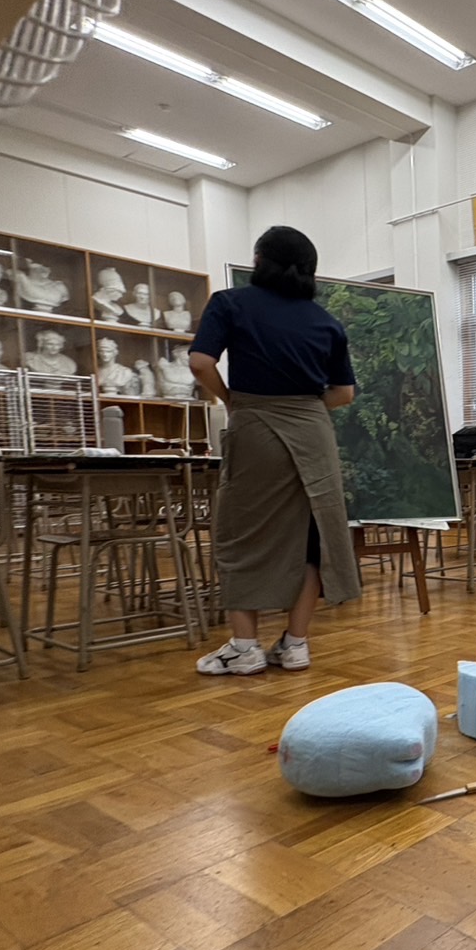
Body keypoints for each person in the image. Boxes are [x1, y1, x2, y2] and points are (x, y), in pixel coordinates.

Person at [189, 225, 359, 675]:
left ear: (259, 261)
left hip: (256, 427)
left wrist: (232, 400)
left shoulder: (230, 303)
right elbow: (344, 393)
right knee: (312, 537)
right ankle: (296, 644)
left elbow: (201, 363)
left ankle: (244, 648)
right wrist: (303, 409)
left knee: (242, 533)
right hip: (314, 433)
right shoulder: (327, 322)